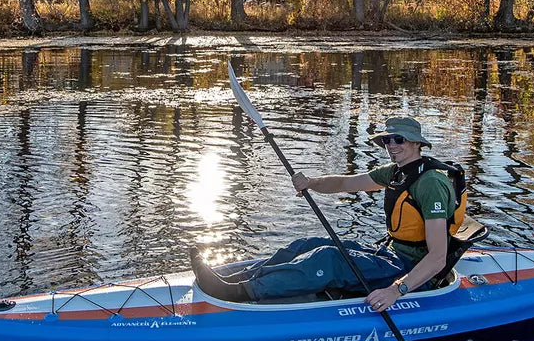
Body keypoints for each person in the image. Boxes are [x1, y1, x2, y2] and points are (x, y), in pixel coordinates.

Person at [190, 116, 467, 311]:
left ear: (417, 143)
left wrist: (396, 291)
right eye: (386, 140)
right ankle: (240, 280)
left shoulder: (431, 183)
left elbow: (437, 257)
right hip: (389, 253)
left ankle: (238, 293)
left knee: (330, 259)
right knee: (308, 245)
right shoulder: (396, 171)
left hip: (410, 270)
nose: (391, 145)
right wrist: (311, 182)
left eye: (398, 139)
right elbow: (345, 183)